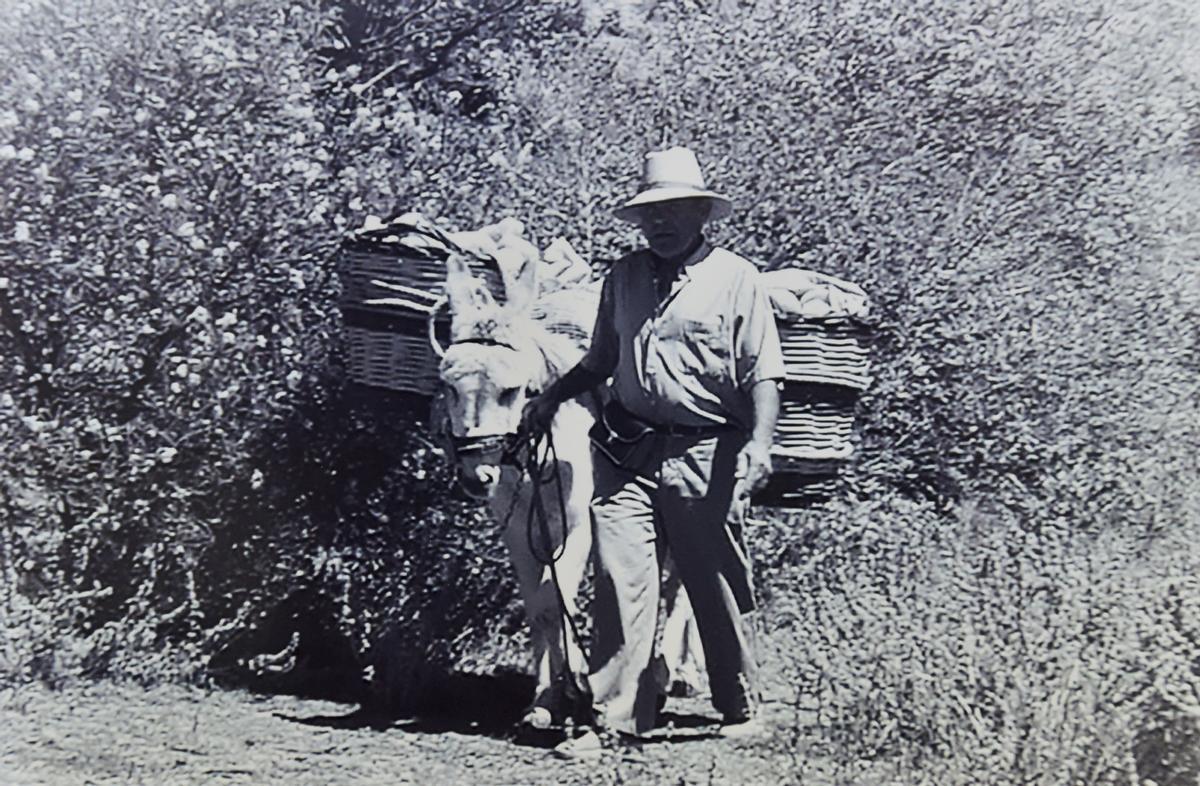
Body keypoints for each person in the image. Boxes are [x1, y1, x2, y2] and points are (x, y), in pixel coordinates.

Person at [521, 146, 784, 757]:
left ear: (700, 213)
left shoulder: (736, 278)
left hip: (705, 453)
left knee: (710, 578)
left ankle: (738, 702)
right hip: (627, 450)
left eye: (673, 211)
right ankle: (615, 719)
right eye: (651, 214)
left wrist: (761, 445)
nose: (660, 223)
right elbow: (600, 360)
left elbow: (764, 373)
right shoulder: (624, 277)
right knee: (620, 580)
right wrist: (547, 400)